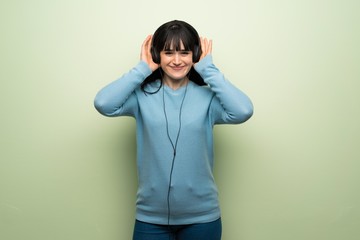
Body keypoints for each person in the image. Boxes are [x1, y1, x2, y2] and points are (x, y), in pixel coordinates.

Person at [94, 20, 253, 240]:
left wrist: (208, 70)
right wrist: (142, 69)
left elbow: (243, 110)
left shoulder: (208, 99)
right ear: (157, 56)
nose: (177, 60)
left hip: (202, 218)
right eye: (168, 53)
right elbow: (104, 104)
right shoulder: (141, 97)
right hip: (150, 218)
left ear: (195, 55)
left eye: (185, 52)